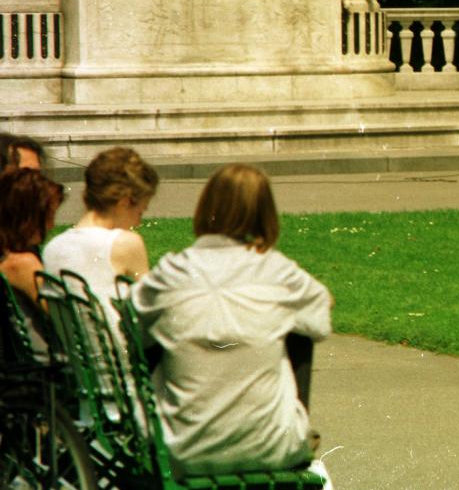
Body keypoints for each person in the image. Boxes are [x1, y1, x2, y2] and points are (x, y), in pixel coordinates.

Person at [132, 164, 332, 479]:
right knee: (299, 331)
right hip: (271, 447)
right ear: (264, 213)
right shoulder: (278, 273)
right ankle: (291, 423)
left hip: (182, 449)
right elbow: (320, 319)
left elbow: (135, 331)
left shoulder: (171, 273)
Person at [43, 147, 158, 310]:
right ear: (123, 203)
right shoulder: (126, 243)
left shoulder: (53, 247)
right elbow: (150, 309)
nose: (138, 223)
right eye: (140, 211)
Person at [0, 167, 65, 357]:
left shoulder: (8, 254)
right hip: (49, 367)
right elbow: (64, 317)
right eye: (49, 216)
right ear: (29, 217)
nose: (51, 225)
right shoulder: (21, 264)